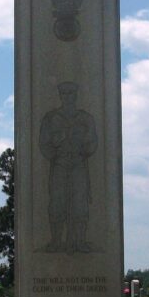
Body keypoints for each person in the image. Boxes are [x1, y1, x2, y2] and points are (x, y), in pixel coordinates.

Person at [39, 82, 97, 254]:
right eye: (65, 94)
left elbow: (93, 143)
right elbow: (44, 145)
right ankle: (56, 241)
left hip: (78, 165)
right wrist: (57, 143)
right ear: (60, 96)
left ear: (76, 95)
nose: (68, 97)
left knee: (80, 205)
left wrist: (82, 146)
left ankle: (80, 242)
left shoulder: (85, 118)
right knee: (57, 204)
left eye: (71, 93)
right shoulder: (51, 118)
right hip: (59, 165)